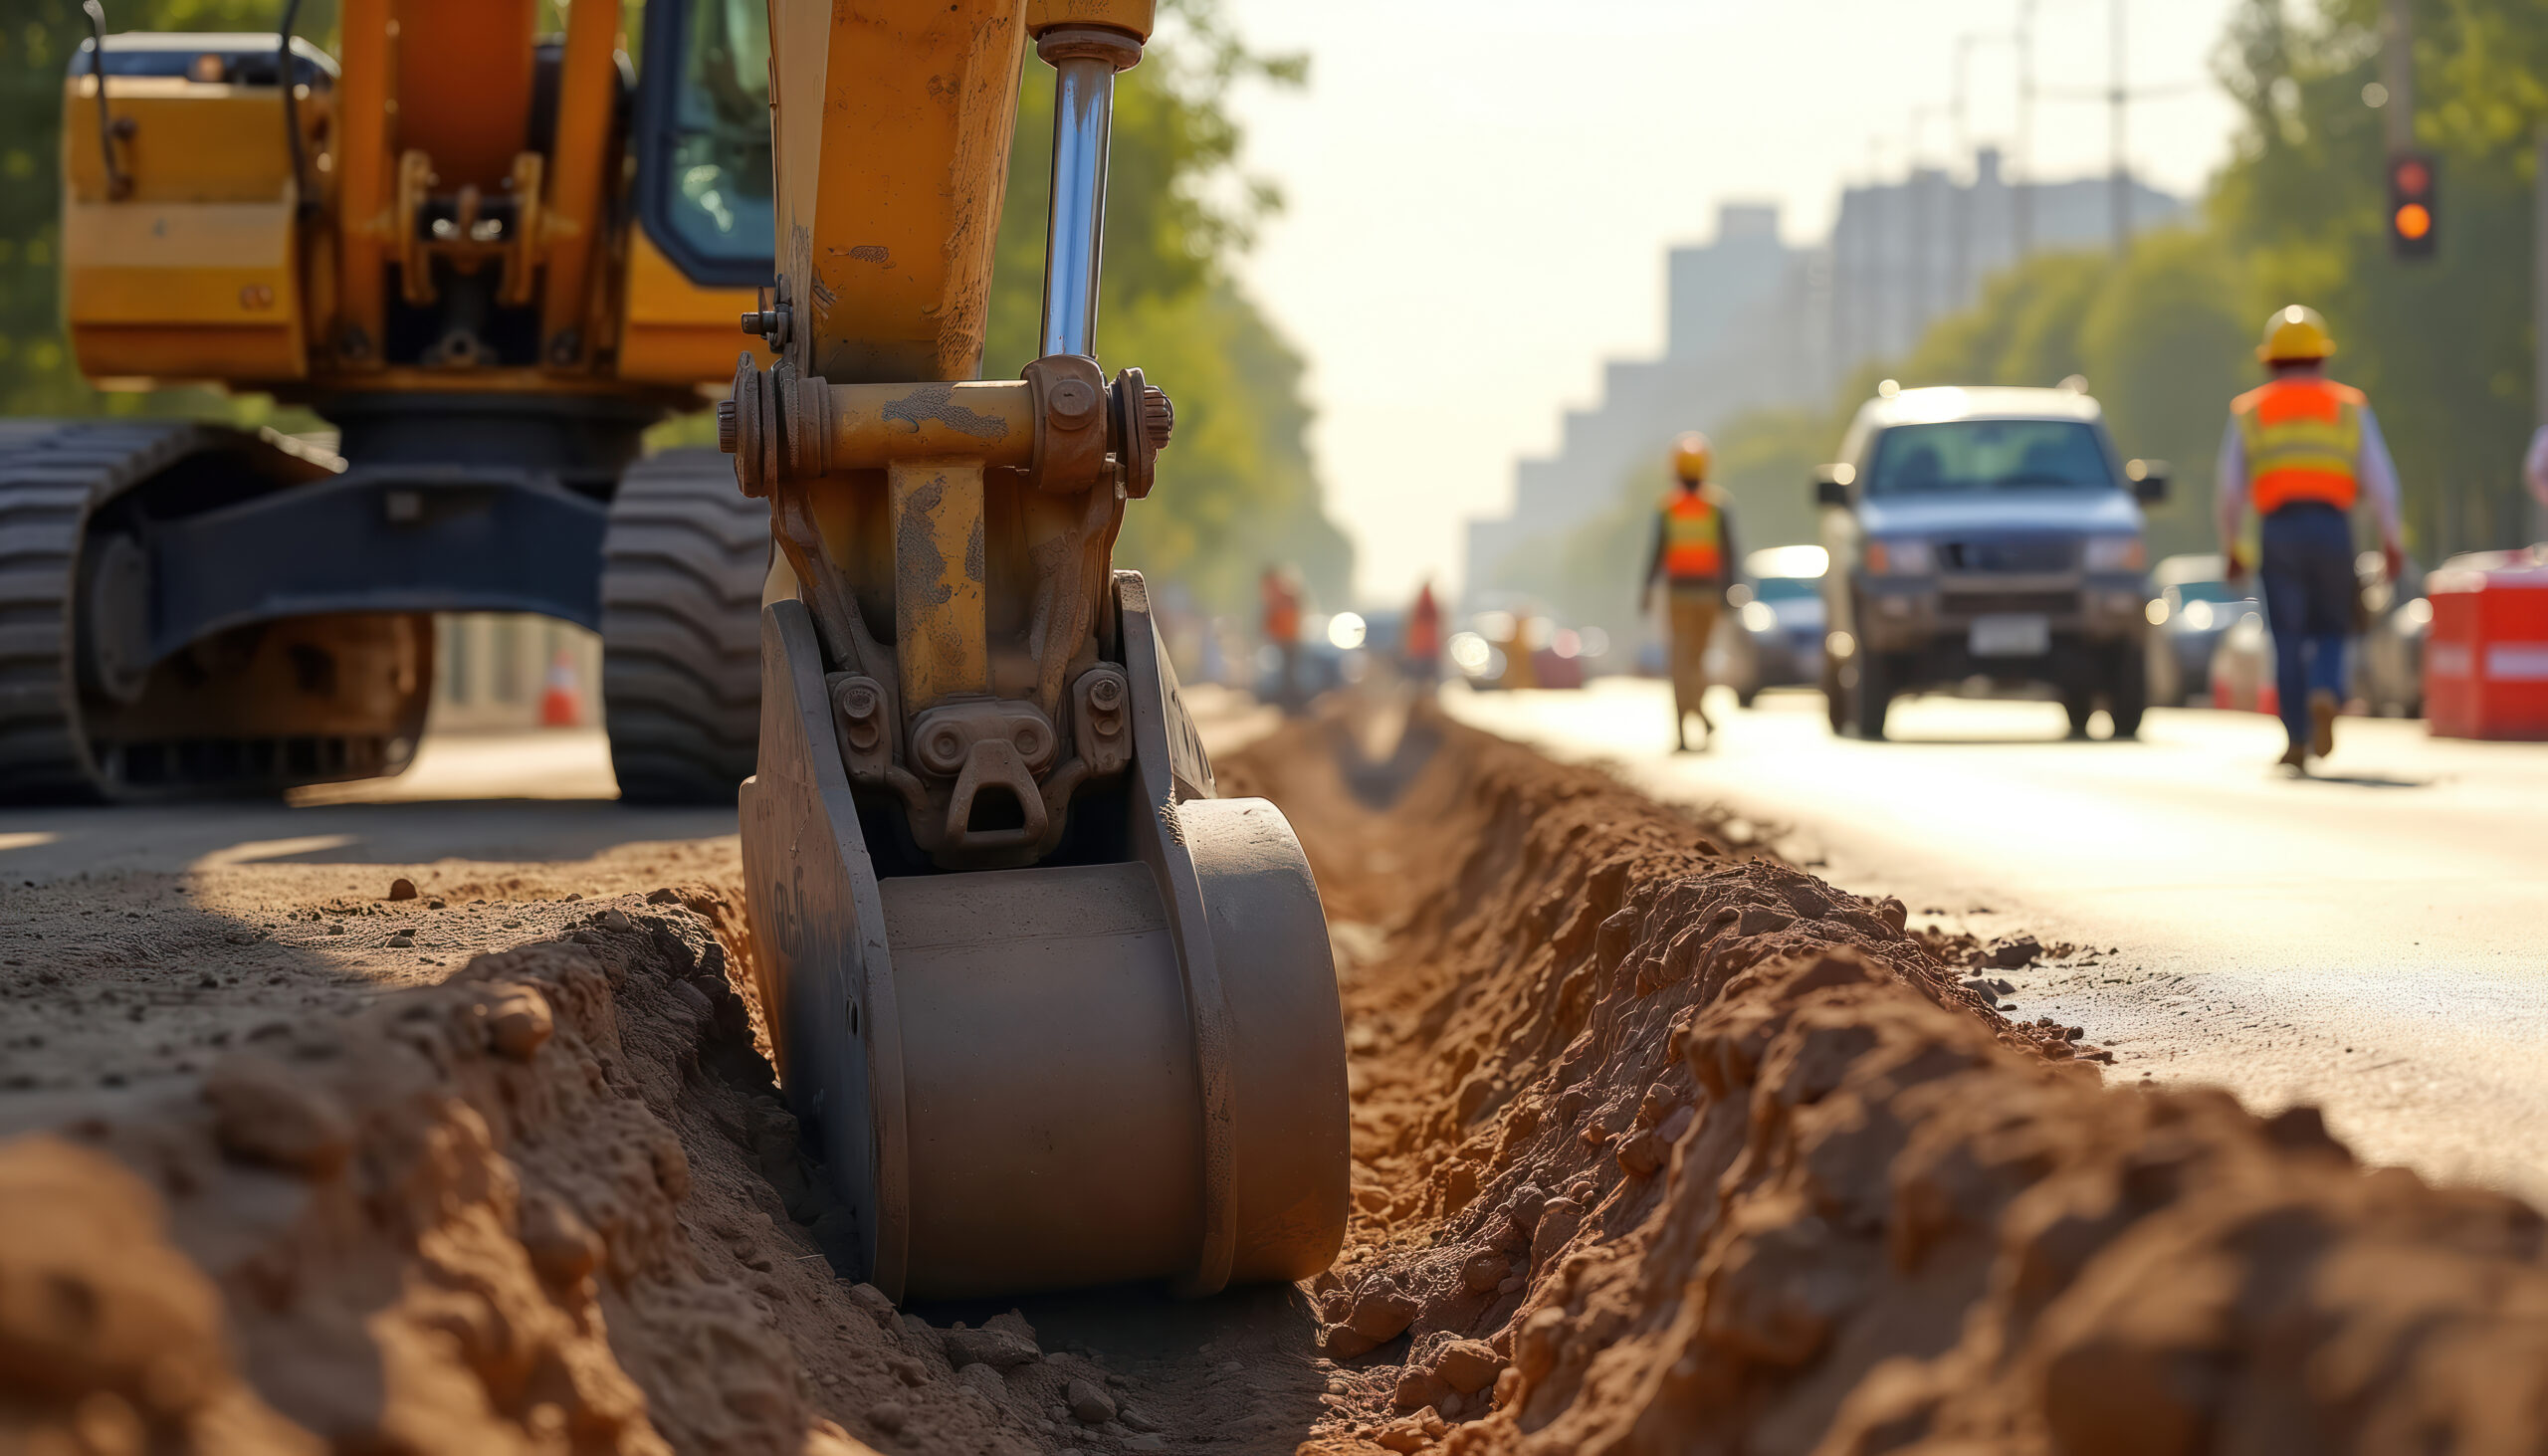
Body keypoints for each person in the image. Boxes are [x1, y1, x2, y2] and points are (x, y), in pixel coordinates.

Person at [2216, 306, 2407, 770]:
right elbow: (2382, 483)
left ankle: (2297, 738)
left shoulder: (2251, 411)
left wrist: (2233, 549)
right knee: (2332, 627)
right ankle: (2326, 688)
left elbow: (2228, 489)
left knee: (2286, 637)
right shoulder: (2348, 407)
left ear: (2269, 361)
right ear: (2322, 359)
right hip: (2332, 528)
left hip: (2278, 531)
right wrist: (2392, 542)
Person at [1641, 431, 1740, 751]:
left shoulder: (1668, 508)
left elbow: (1655, 555)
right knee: (1694, 663)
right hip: (1707, 596)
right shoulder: (1717, 505)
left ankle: (1687, 730)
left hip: (1680, 596)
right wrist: (1729, 592)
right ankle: (1698, 719)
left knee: (1681, 664)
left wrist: (1645, 590)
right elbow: (1730, 554)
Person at [1260, 565, 1305, 712]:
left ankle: (1292, 701)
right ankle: (1288, 700)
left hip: (1291, 640)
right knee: (1286, 671)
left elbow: (1297, 614)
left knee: (1290, 671)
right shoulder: (1276, 600)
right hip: (1282, 640)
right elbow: (1269, 620)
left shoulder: (1288, 597)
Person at [1403, 579, 1443, 686]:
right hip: (1425, 650)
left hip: (1421, 649)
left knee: (1420, 681)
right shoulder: (1427, 602)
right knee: (1425, 680)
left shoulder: (1418, 607)